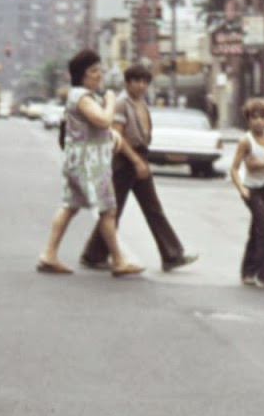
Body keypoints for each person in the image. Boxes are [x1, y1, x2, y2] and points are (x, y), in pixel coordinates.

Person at [78, 64, 199, 273]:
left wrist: (141, 159)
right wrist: (136, 161)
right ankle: (93, 254)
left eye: (145, 82)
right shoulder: (122, 103)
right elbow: (118, 136)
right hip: (125, 160)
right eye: (137, 81)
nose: (141, 86)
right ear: (128, 82)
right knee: (114, 210)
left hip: (139, 156)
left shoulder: (141, 103)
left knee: (152, 209)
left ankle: (171, 255)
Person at [36, 49, 145, 277]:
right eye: (93, 71)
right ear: (81, 75)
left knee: (70, 205)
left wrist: (111, 135)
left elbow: (95, 128)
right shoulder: (82, 97)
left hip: (82, 160)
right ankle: (118, 260)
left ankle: (49, 254)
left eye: (99, 70)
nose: (99, 75)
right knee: (108, 210)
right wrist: (112, 101)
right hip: (90, 163)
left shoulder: (84, 96)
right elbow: (103, 120)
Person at [230, 96, 264, 288]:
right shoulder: (245, 142)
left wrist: (258, 164)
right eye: (254, 117)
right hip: (251, 190)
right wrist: (241, 188)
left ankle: (248, 271)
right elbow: (234, 169)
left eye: (263, 117)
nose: (259, 121)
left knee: (256, 231)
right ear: (248, 120)